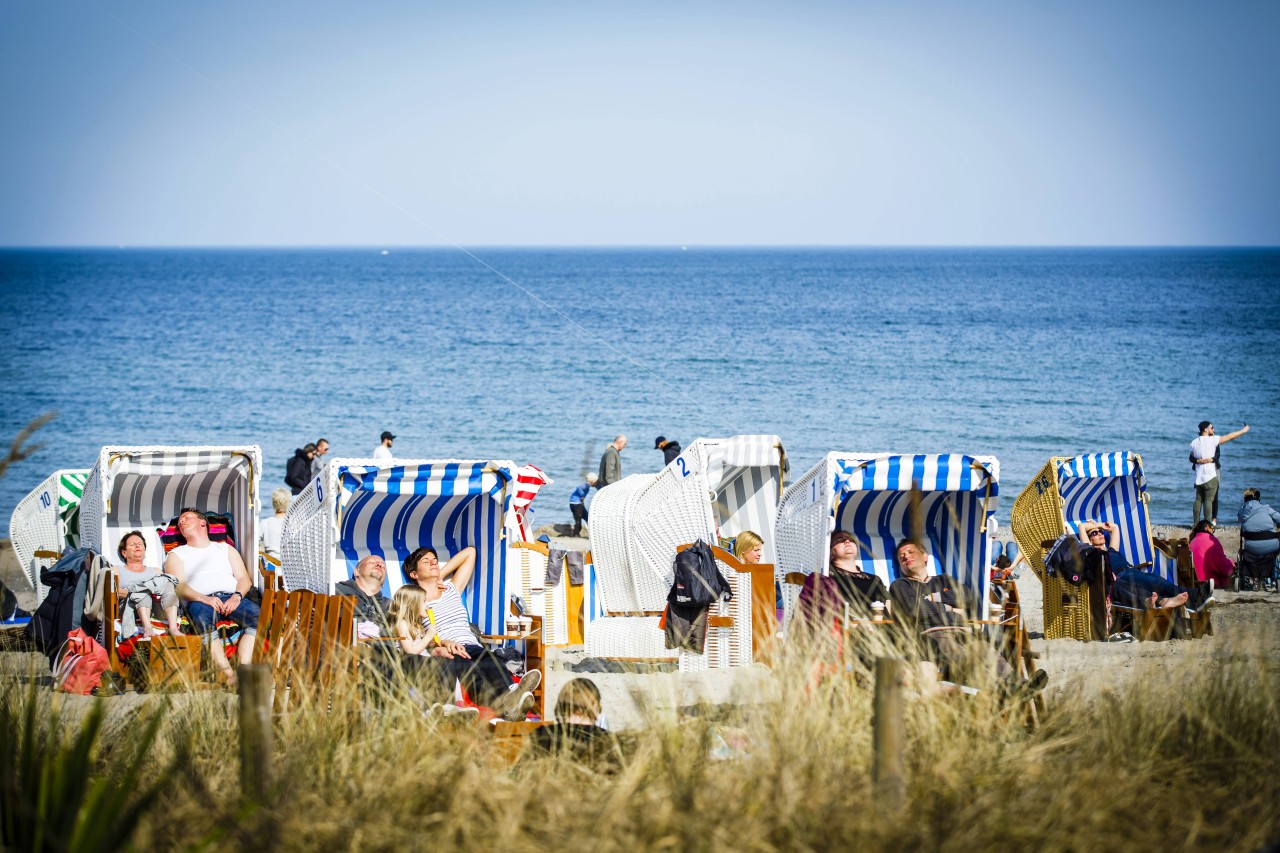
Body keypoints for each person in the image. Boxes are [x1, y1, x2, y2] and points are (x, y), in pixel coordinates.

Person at [404, 545, 539, 716]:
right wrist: (441, 645)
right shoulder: (415, 599)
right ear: (414, 574)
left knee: (490, 659)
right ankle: (508, 706)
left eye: (435, 560)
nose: (433, 563)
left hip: (471, 643)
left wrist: (442, 575)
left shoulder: (451, 589)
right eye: (426, 561)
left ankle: (512, 692)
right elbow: (415, 635)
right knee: (471, 670)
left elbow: (470, 553)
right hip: (448, 648)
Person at [164, 508, 260, 685]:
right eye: (179, 522)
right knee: (201, 618)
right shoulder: (176, 554)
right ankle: (229, 675)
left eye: (187, 518)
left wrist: (237, 596)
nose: (182, 522)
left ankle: (243, 670)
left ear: (202, 523)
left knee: (258, 616)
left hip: (231, 597)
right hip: (199, 600)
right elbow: (178, 585)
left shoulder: (225, 549)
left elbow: (244, 578)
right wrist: (204, 599)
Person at [526, 678, 621, 766]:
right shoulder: (609, 740)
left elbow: (521, 775)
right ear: (595, 705)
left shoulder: (540, 735)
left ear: (561, 704)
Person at [115, 530, 181, 638]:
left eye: (140, 544)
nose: (137, 545)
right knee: (143, 591)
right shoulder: (117, 570)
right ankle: (148, 628)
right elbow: (115, 592)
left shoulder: (156, 571)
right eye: (132, 544)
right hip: (130, 607)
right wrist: (140, 589)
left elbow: (166, 592)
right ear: (124, 553)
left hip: (156, 608)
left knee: (168, 583)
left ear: (144, 550)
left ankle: (173, 628)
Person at [1190, 421, 1250, 525]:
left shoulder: (1194, 442)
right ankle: (1207, 524)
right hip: (1210, 476)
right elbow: (1230, 436)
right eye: (1211, 427)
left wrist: (1198, 461)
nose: (1212, 429)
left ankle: (1195, 524)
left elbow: (1191, 457)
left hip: (1199, 476)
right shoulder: (1212, 440)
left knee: (1198, 501)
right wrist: (1243, 430)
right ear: (1206, 429)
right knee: (1209, 500)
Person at [827, 530, 888, 613]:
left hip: (882, 624)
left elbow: (888, 606)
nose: (847, 541)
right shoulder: (828, 577)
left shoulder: (874, 579)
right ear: (830, 552)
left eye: (851, 540)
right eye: (839, 539)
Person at [1237, 487, 1280, 591]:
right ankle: (1274, 575)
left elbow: (1242, 525)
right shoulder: (1265, 508)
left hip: (1251, 547)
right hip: (1271, 546)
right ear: (1258, 498)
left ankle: (1252, 577)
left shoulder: (1242, 513)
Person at [335, 554, 392, 625]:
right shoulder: (336, 591)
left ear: (383, 582)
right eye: (372, 562)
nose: (379, 565)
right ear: (357, 572)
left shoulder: (391, 606)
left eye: (383, 566)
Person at [1188, 521, 1234, 587]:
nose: (1213, 531)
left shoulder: (1192, 541)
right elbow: (1222, 565)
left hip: (1194, 581)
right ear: (1206, 528)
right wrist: (1231, 564)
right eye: (1212, 528)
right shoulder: (1213, 541)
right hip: (1210, 581)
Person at [258, 487, 289, 565]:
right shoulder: (291, 523)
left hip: (271, 566)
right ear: (288, 503)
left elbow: (255, 541)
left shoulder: (265, 523)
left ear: (273, 504)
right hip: (288, 567)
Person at [569, 473, 597, 537]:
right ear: (592, 481)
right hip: (576, 504)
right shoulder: (586, 485)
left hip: (576, 504)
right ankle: (575, 534)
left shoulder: (587, 486)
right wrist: (582, 495)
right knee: (579, 520)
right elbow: (578, 488)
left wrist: (582, 500)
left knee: (587, 517)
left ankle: (591, 533)